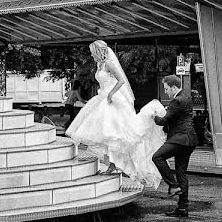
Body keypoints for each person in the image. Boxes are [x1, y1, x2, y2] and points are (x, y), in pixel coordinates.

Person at [66, 40, 165, 187]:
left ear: (99, 52)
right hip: (102, 98)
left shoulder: (109, 64)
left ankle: (120, 165)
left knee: (117, 135)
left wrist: (111, 94)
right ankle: (111, 165)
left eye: (93, 52)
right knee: (105, 135)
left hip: (112, 99)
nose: (92, 55)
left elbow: (121, 81)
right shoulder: (99, 65)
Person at [153, 74, 199, 218]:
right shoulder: (186, 97)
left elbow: (163, 121)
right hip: (190, 140)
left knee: (157, 157)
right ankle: (182, 208)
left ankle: (173, 185)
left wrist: (153, 116)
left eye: (166, 89)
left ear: (174, 87)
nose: (165, 92)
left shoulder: (176, 101)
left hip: (180, 138)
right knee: (181, 172)